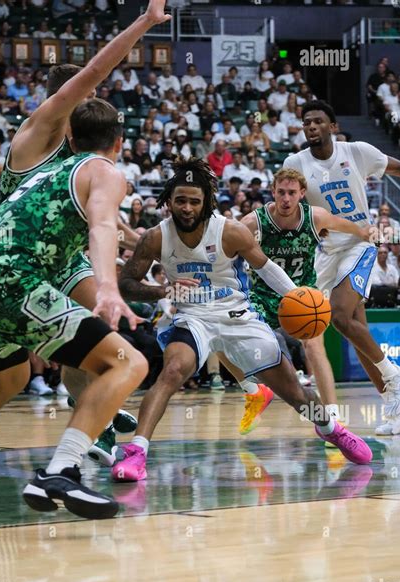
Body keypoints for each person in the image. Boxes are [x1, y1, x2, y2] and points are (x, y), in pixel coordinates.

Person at [108, 158, 372, 481]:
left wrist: (297, 296)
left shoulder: (229, 231)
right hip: (193, 316)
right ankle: (137, 452)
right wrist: (164, 289)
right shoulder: (155, 237)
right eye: (180, 200)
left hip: (236, 314)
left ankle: (331, 428)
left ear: (206, 201)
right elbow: (126, 284)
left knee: (296, 394)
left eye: (194, 201)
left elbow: (266, 267)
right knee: (173, 370)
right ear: (168, 201)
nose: (187, 208)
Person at [0, 99, 148, 520]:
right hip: (9, 279)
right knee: (127, 362)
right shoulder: (106, 171)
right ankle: (61, 470)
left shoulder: (45, 168)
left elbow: (107, 224)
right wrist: (109, 288)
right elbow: (101, 224)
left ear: (71, 139)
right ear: (120, 143)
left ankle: (76, 449)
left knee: (10, 380)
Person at [0, 0, 171, 449]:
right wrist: (146, 22)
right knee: (11, 376)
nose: (91, 102)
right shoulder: (36, 135)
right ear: (67, 98)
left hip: (63, 256)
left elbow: (98, 217)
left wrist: (144, 240)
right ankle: (85, 419)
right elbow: (94, 70)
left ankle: (93, 413)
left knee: (99, 331)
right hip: (19, 258)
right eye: (86, 97)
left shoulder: (78, 153)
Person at [284, 100, 400, 435]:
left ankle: (394, 374)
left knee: (340, 314)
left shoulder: (358, 151)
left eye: (318, 121)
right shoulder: (295, 163)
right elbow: (287, 200)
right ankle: (397, 409)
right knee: (353, 331)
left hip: (360, 241)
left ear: (333, 126)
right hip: (325, 250)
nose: (312, 126)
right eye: (307, 122)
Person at [224, 167, 375, 437]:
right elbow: (224, 247)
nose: (285, 198)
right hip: (263, 295)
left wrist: (365, 234)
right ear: (273, 192)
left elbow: (347, 226)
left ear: (302, 194)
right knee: (221, 334)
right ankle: (254, 391)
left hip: (304, 295)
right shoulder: (253, 222)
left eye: (291, 193)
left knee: (315, 348)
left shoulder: (315, 217)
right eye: (280, 192)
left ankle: (334, 420)